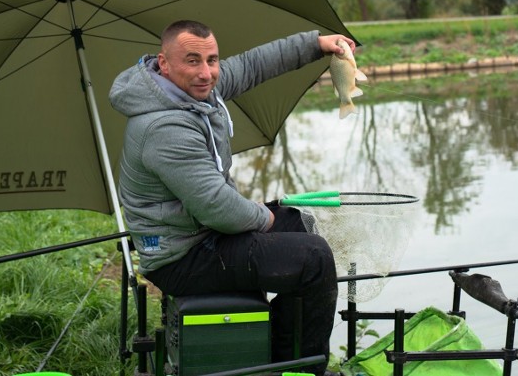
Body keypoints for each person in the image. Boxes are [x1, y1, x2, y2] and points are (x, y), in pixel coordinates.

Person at [109, 20, 354, 376]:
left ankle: (281, 354)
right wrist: (264, 218)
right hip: (181, 258)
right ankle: (302, 370)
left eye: (212, 60)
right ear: (164, 64)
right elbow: (218, 208)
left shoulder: (194, 89)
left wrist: (317, 43)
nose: (206, 72)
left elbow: (254, 64)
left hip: (203, 233)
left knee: (299, 221)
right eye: (192, 60)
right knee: (313, 258)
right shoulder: (163, 127)